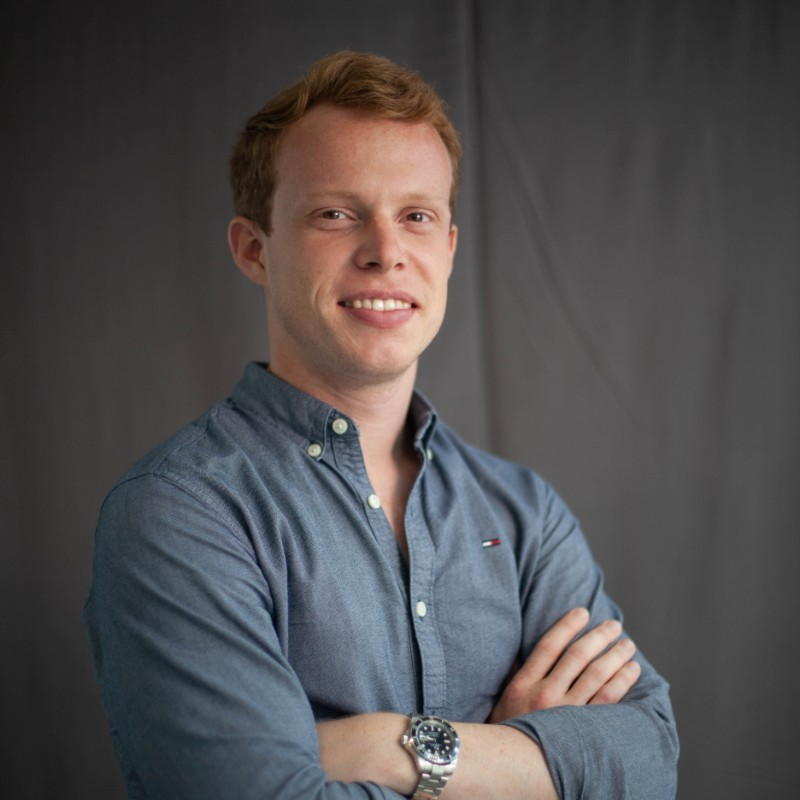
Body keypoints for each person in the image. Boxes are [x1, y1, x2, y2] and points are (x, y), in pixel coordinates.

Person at [84, 51, 678, 799]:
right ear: (254, 249)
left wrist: (382, 747)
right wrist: (513, 763)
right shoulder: (178, 512)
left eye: (416, 217)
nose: (386, 253)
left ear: (449, 249)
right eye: (336, 214)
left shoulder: (526, 514)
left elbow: (648, 763)